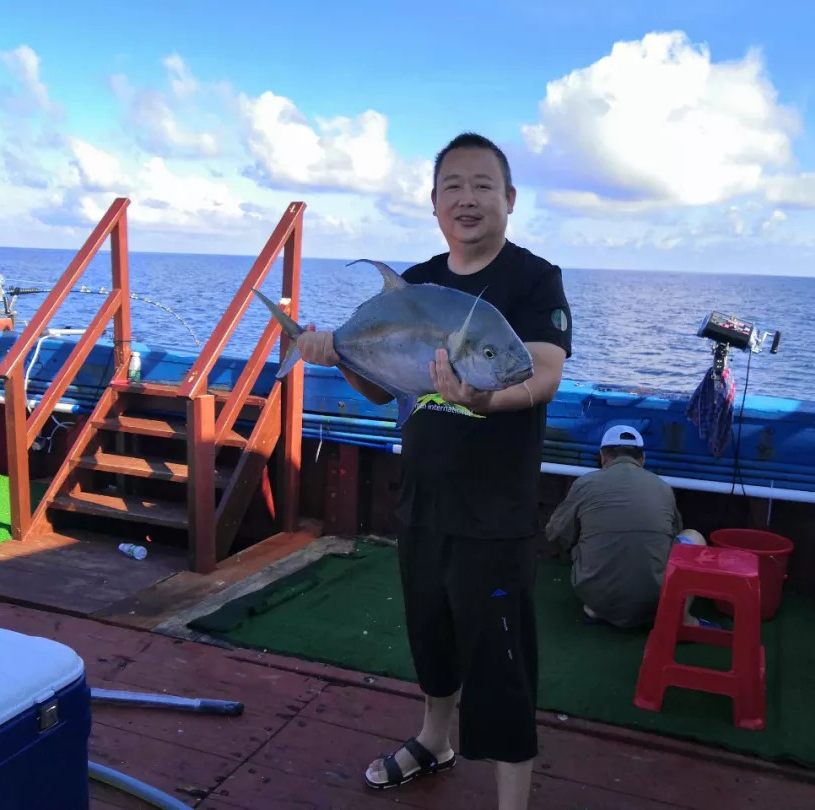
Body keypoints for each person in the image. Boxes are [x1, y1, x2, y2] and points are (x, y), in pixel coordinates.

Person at [290, 132, 572, 810]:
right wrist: (333, 355)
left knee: (503, 667)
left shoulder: (535, 280)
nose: (467, 198)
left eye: (482, 185)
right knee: (432, 637)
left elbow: (543, 373)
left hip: (495, 514)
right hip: (422, 500)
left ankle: (512, 802)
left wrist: (484, 398)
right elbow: (383, 388)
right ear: (435, 202)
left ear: (508, 199)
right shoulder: (415, 285)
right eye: (453, 186)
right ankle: (433, 740)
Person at [544, 424, 707, 629]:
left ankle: (596, 608)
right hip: (657, 600)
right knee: (693, 536)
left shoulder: (585, 483)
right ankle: (682, 618)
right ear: (642, 458)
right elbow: (673, 537)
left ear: (603, 456)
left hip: (596, 597)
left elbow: (554, 532)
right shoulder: (662, 486)